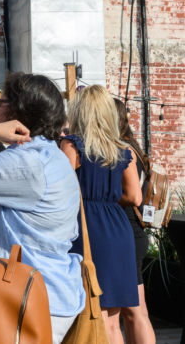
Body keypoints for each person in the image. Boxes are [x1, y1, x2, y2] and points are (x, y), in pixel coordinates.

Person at [0, 72, 84, 343]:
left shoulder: (28, 164)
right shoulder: (51, 156)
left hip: (26, 297)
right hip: (48, 290)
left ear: (17, 111)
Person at [61, 86, 143, 344]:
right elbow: (135, 196)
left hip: (86, 227)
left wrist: (90, 198)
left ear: (79, 111)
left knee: (87, 316)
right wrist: (106, 197)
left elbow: (61, 190)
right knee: (112, 322)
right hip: (118, 229)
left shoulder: (72, 145)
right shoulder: (123, 149)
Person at [114, 99, 156, 344]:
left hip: (129, 231)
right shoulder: (132, 146)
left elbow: (132, 196)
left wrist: (100, 198)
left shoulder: (125, 149)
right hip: (132, 230)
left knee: (135, 312)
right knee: (133, 312)